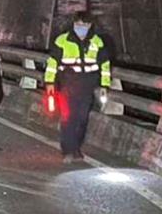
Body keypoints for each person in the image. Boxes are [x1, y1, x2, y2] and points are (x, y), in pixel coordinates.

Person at [43, 10, 112, 163]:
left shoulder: (97, 42)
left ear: (90, 25)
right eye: (78, 25)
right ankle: (68, 150)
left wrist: (104, 85)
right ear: (73, 24)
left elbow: (105, 65)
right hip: (67, 86)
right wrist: (49, 83)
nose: (81, 28)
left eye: (84, 25)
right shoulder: (62, 41)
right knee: (68, 118)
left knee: (82, 119)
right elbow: (52, 64)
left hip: (87, 87)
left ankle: (76, 148)